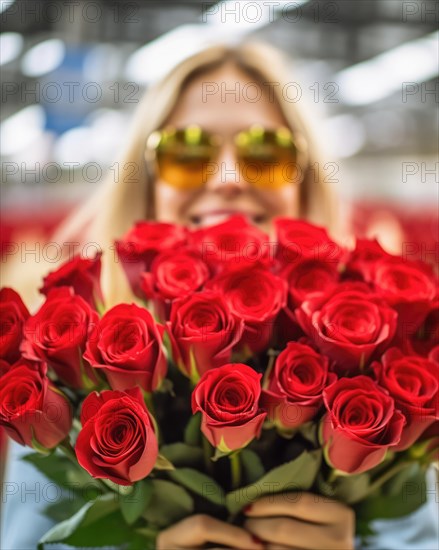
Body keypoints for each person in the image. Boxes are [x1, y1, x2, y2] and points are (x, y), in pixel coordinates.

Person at [2, 42, 437, 550]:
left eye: (264, 152)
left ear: (304, 181)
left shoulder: (382, 381)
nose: (228, 179)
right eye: (186, 151)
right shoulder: (58, 389)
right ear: (146, 186)